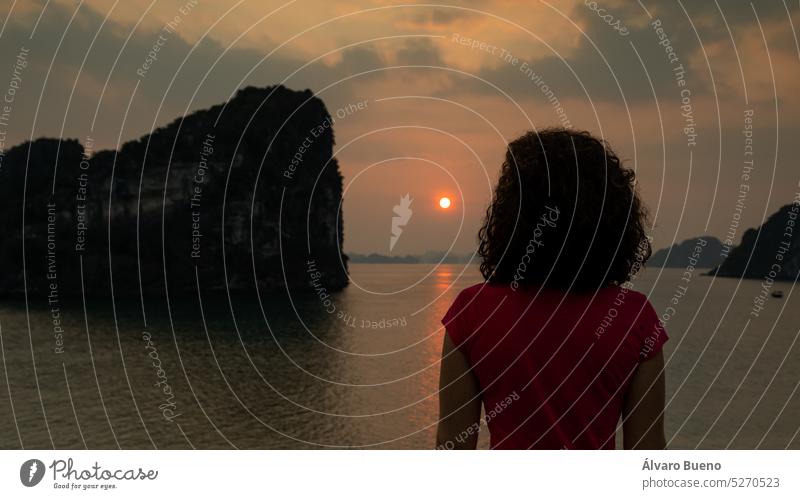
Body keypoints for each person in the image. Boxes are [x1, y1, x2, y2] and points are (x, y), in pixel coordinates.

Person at [436, 128, 667, 450]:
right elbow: (648, 451)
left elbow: (452, 446)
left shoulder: (473, 312)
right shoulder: (634, 317)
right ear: (611, 214)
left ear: (512, 213)